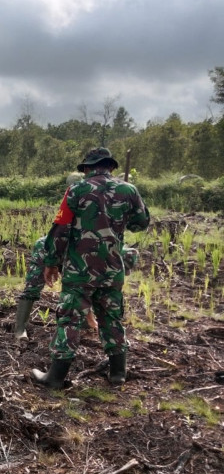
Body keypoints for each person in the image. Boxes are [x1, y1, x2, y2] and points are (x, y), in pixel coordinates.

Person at [31, 147, 150, 388]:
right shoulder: (129, 190)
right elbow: (141, 223)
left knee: (70, 319)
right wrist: (119, 216)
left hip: (79, 270)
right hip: (113, 269)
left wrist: (52, 262)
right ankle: (118, 373)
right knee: (112, 317)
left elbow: (60, 229)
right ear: (111, 167)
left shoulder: (76, 190)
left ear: (86, 168)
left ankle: (55, 377)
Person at [14, 236, 139, 339]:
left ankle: (85, 324)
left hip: (71, 256)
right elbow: (81, 288)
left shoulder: (106, 251)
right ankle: (19, 330)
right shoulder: (94, 254)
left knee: (86, 288)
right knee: (33, 287)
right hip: (49, 249)